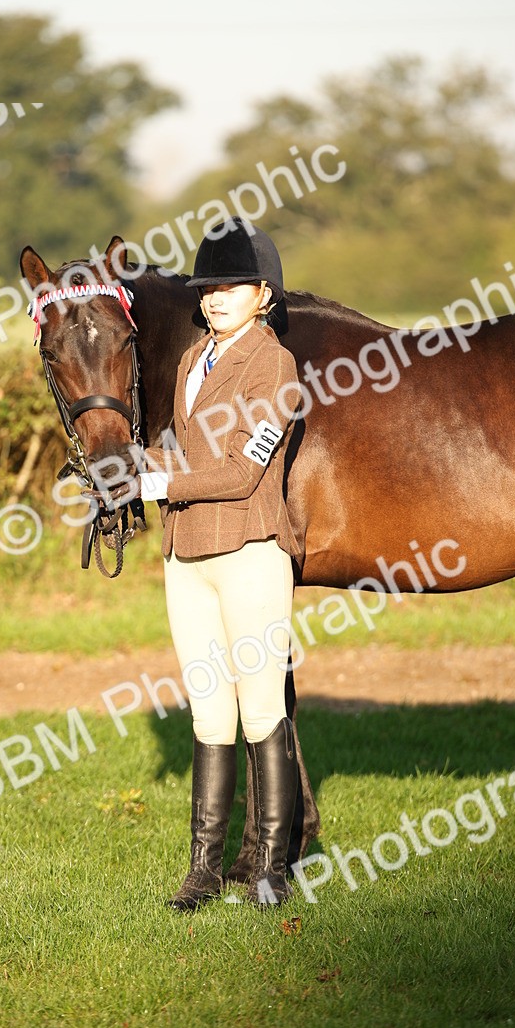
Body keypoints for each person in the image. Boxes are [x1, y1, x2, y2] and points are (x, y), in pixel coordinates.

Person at [138, 216, 301, 909]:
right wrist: (125, 468)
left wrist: (159, 485)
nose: (215, 297)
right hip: (186, 555)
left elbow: (241, 473)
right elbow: (181, 451)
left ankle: (270, 867)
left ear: (263, 294)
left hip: (250, 552)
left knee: (261, 707)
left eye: (230, 286)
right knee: (209, 715)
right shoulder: (190, 361)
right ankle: (204, 869)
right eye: (208, 287)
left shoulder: (277, 366)